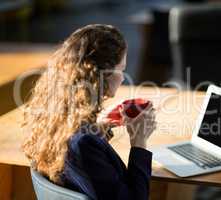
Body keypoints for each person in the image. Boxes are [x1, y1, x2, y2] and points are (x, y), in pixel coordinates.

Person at [22, 24, 157, 200]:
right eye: (121, 69)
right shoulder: (84, 143)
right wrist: (139, 142)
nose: (123, 77)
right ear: (103, 75)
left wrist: (97, 128)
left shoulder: (52, 121)